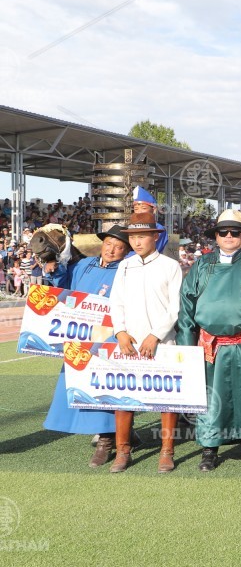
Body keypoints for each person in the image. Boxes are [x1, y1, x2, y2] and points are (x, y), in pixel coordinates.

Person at [176, 210, 241, 472]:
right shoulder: (202, 264)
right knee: (212, 399)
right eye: (224, 232)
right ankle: (209, 449)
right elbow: (187, 305)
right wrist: (187, 347)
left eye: (235, 232)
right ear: (216, 236)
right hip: (211, 344)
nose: (229, 236)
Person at [42, 223, 131, 467]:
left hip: (108, 336)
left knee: (103, 388)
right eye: (108, 244)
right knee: (77, 385)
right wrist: (53, 269)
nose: (111, 250)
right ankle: (124, 432)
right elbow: (64, 287)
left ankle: (106, 441)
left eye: (118, 247)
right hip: (79, 336)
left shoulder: (127, 271)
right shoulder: (84, 264)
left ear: (126, 251)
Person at [108, 209, 183, 473]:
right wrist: (120, 332)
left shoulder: (170, 266)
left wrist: (155, 335)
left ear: (155, 237)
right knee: (124, 398)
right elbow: (116, 302)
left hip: (162, 342)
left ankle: (167, 451)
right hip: (129, 342)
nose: (137, 242)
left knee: (167, 399)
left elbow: (175, 307)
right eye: (132, 237)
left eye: (142, 236)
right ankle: (122, 451)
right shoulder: (124, 266)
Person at [131, 186, 169, 254]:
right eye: (136, 209)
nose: (139, 212)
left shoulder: (158, 229)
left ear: (154, 210)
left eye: (144, 208)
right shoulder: (132, 227)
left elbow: (147, 252)